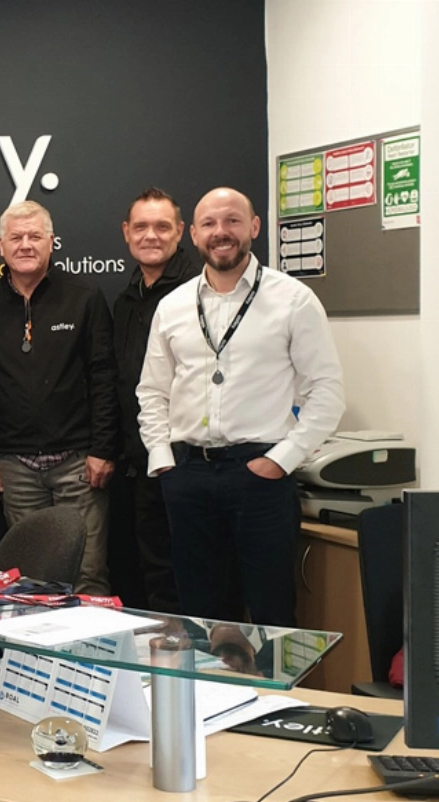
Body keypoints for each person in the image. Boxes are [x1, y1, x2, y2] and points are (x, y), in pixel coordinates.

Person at [137, 187, 345, 626]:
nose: (221, 232)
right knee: (200, 615)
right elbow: (152, 391)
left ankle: (278, 698)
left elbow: (326, 392)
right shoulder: (173, 306)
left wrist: (281, 460)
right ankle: (211, 696)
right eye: (209, 224)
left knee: (271, 612)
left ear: (253, 227)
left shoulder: (293, 299)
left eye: (232, 221)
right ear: (193, 234)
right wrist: (162, 458)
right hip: (188, 475)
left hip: (260, 476)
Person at [0, 201, 120, 594]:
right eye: (16, 237)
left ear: (52, 242)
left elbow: (104, 376)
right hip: (14, 466)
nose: (25, 245)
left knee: (88, 574)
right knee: (29, 579)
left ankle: (90, 653)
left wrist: (103, 448)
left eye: (35, 236)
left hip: (78, 462)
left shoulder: (83, 296)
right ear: (0, 246)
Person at [110, 188, 199, 612]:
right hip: (137, 463)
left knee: (186, 577)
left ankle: (194, 675)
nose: (151, 236)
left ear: (180, 232)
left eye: (162, 227)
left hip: (185, 460)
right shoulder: (126, 299)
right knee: (146, 578)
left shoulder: (201, 292)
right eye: (141, 227)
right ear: (127, 233)